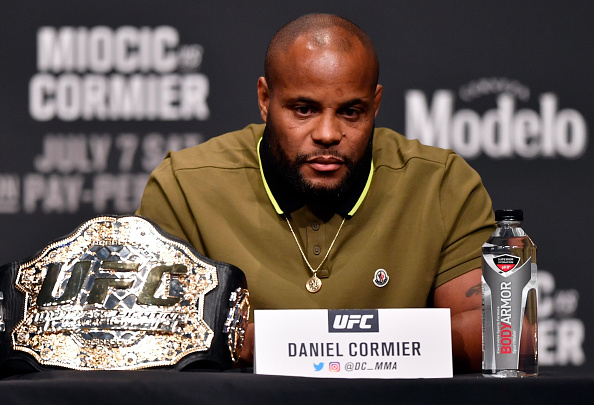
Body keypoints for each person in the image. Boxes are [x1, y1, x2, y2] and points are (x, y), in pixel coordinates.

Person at [136, 13, 495, 373]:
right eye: (303, 109)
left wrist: (279, 343)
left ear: (376, 105)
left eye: (351, 112)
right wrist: (378, 343)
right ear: (264, 99)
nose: (327, 133)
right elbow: (142, 332)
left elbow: (504, 334)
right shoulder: (184, 185)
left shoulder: (442, 183)